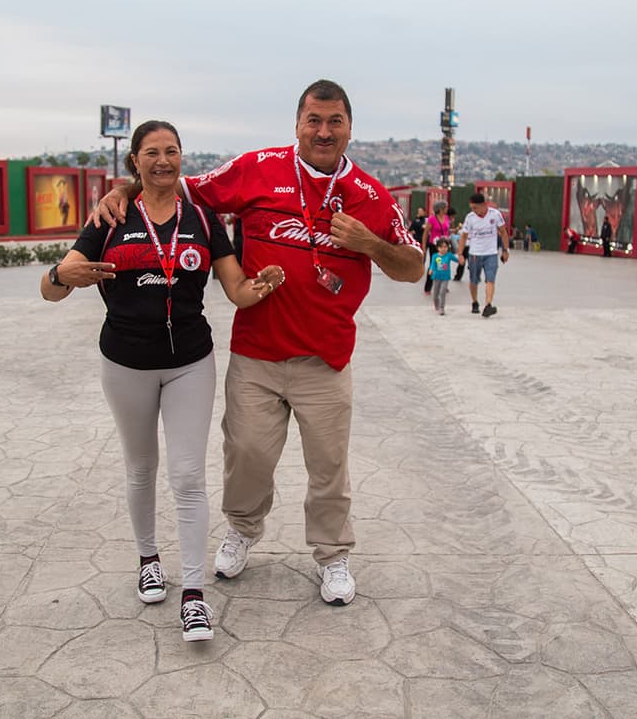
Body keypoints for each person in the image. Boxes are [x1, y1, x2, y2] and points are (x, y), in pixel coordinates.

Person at [95, 80, 424, 606]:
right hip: (256, 354)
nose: (323, 130)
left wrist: (369, 243)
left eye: (334, 121)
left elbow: (414, 268)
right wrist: (125, 189)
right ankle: (243, 531)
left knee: (328, 466)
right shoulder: (259, 167)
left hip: (325, 359)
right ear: (297, 124)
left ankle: (333, 555)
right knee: (245, 453)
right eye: (313, 120)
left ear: (349, 128)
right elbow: (179, 185)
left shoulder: (371, 195)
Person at [43, 120, 285, 641]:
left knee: (189, 477)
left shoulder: (201, 217)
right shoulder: (111, 215)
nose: (162, 161)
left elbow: (236, 290)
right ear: (134, 163)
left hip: (189, 363)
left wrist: (260, 287)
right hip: (125, 363)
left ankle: (194, 595)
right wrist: (65, 275)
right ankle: (148, 559)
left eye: (171, 151)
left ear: (181, 158)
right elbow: (52, 288)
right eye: (151, 152)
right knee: (140, 466)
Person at [458, 192, 509, 316]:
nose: (474, 210)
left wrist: (505, 250)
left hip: (491, 253)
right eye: (472, 208)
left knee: (490, 279)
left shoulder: (495, 215)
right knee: (474, 280)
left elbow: (503, 232)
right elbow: (464, 236)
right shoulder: (470, 218)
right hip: (475, 253)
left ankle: (488, 305)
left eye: (475, 207)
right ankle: (475, 301)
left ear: (484, 205)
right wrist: (460, 254)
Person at [422, 200, 452, 294]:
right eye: (445, 207)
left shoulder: (447, 218)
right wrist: (423, 246)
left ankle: (443, 284)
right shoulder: (432, 219)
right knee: (434, 264)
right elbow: (426, 233)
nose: (447, 209)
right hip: (434, 245)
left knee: (445, 264)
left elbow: (448, 230)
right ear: (440, 209)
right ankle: (428, 287)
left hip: (445, 245)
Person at [427, 236, 459, 315]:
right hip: (436, 277)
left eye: (445, 247)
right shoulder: (435, 256)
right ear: (437, 248)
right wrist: (431, 270)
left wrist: (461, 260)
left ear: (448, 247)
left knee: (442, 292)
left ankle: (442, 308)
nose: (443, 249)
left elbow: (456, 260)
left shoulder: (449, 255)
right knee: (435, 294)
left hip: (445, 277)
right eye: (441, 247)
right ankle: (436, 303)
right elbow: (433, 265)